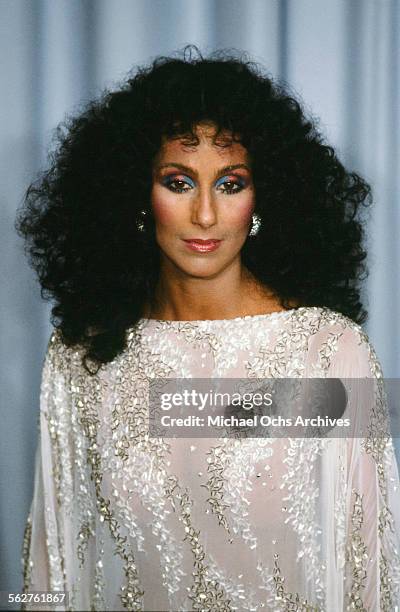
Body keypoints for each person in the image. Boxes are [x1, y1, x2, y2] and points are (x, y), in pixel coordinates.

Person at [16, 47, 400, 611]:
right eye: (178, 182)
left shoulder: (327, 354)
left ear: (262, 197)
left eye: (229, 184)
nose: (204, 215)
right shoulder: (81, 359)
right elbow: (51, 568)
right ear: (137, 196)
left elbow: (372, 567)